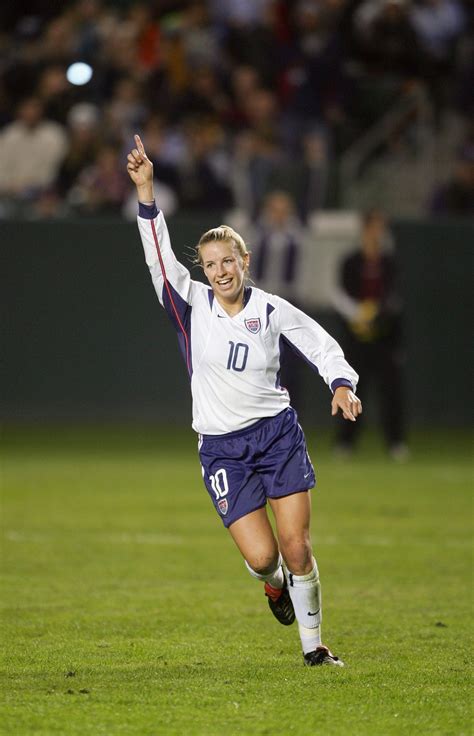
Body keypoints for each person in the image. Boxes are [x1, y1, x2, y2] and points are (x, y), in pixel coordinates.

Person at [127, 134, 362, 667]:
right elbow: (158, 257)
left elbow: (318, 342)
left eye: (226, 260)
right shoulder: (190, 304)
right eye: (209, 264)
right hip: (222, 449)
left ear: (244, 260)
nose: (219, 271)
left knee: (296, 544)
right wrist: (146, 192)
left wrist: (341, 383)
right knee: (263, 559)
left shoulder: (272, 309)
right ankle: (273, 584)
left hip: (276, 435)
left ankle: (314, 648)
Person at [332, 209, 407, 460]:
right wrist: (358, 314)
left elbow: (395, 299)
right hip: (355, 339)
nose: (377, 233)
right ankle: (345, 443)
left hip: (385, 338)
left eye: (381, 228)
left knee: (391, 392)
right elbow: (340, 295)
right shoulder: (350, 261)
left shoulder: (389, 263)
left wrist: (377, 315)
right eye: (373, 227)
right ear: (364, 230)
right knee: (351, 389)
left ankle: (396, 443)